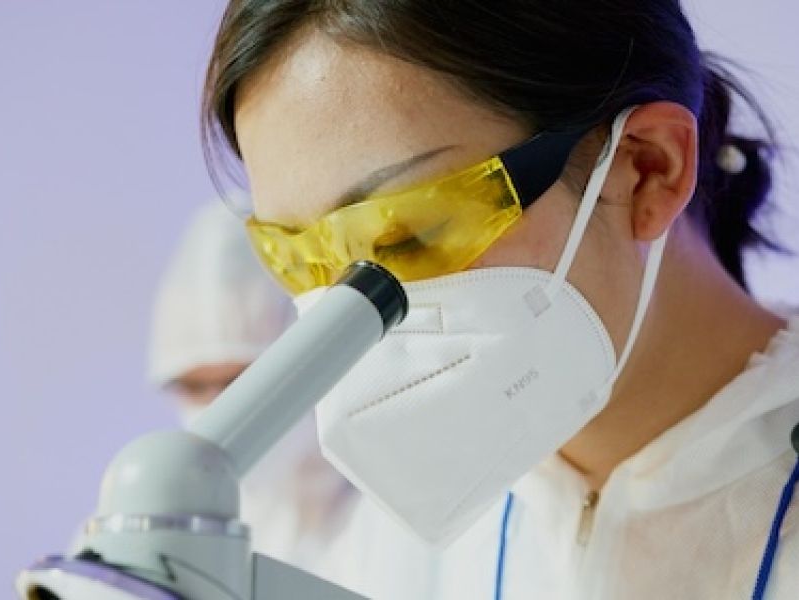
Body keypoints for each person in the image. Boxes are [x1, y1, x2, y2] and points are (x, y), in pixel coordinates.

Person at [198, 2, 799, 599]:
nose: (347, 308)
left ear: (647, 168)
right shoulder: (404, 546)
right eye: (299, 259)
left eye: (410, 233)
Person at [148, 200, 357, 575]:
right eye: (195, 387)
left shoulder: (398, 521)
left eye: (240, 382)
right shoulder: (143, 540)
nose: (218, 410)